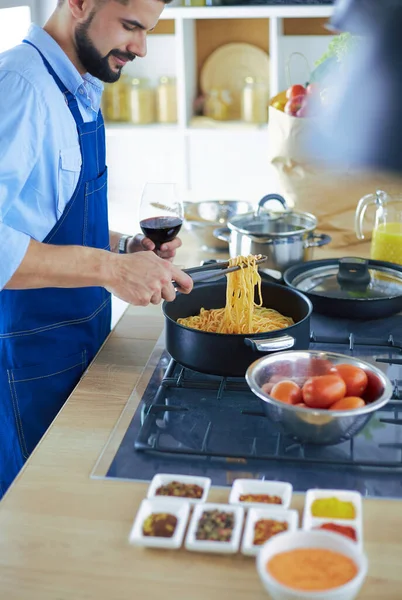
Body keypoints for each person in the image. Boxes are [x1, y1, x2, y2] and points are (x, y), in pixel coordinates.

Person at [0, 0, 193, 498]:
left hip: (78, 344)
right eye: (131, 26)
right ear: (80, 3)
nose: (141, 47)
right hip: (25, 358)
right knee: (40, 519)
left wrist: (125, 249)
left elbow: (40, 218)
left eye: (148, 31)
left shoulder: (79, 87)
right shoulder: (21, 89)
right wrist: (110, 269)